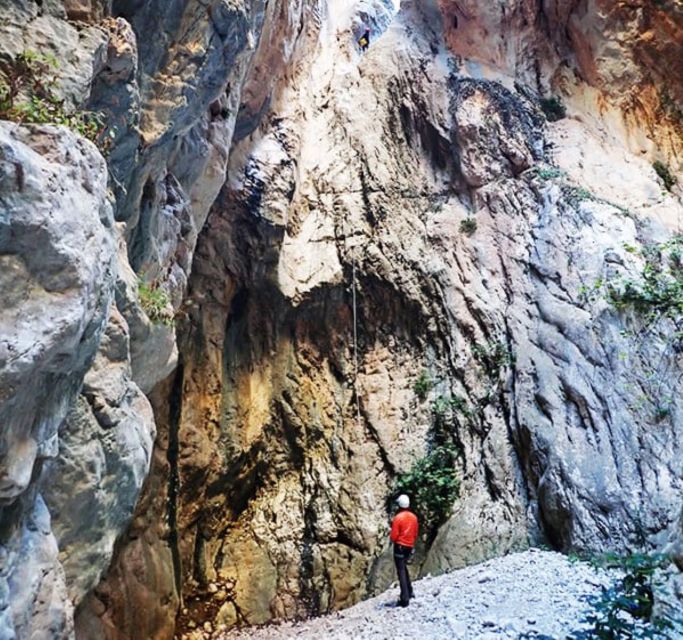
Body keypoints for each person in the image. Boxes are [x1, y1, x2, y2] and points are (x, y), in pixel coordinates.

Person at [390, 494, 418, 607]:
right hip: (410, 545)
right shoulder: (414, 517)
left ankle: (404, 598)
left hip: (400, 546)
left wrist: (394, 541)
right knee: (404, 568)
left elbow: (394, 535)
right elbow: (415, 533)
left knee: (400, 571)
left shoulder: (398, 518)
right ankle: (410, 591)